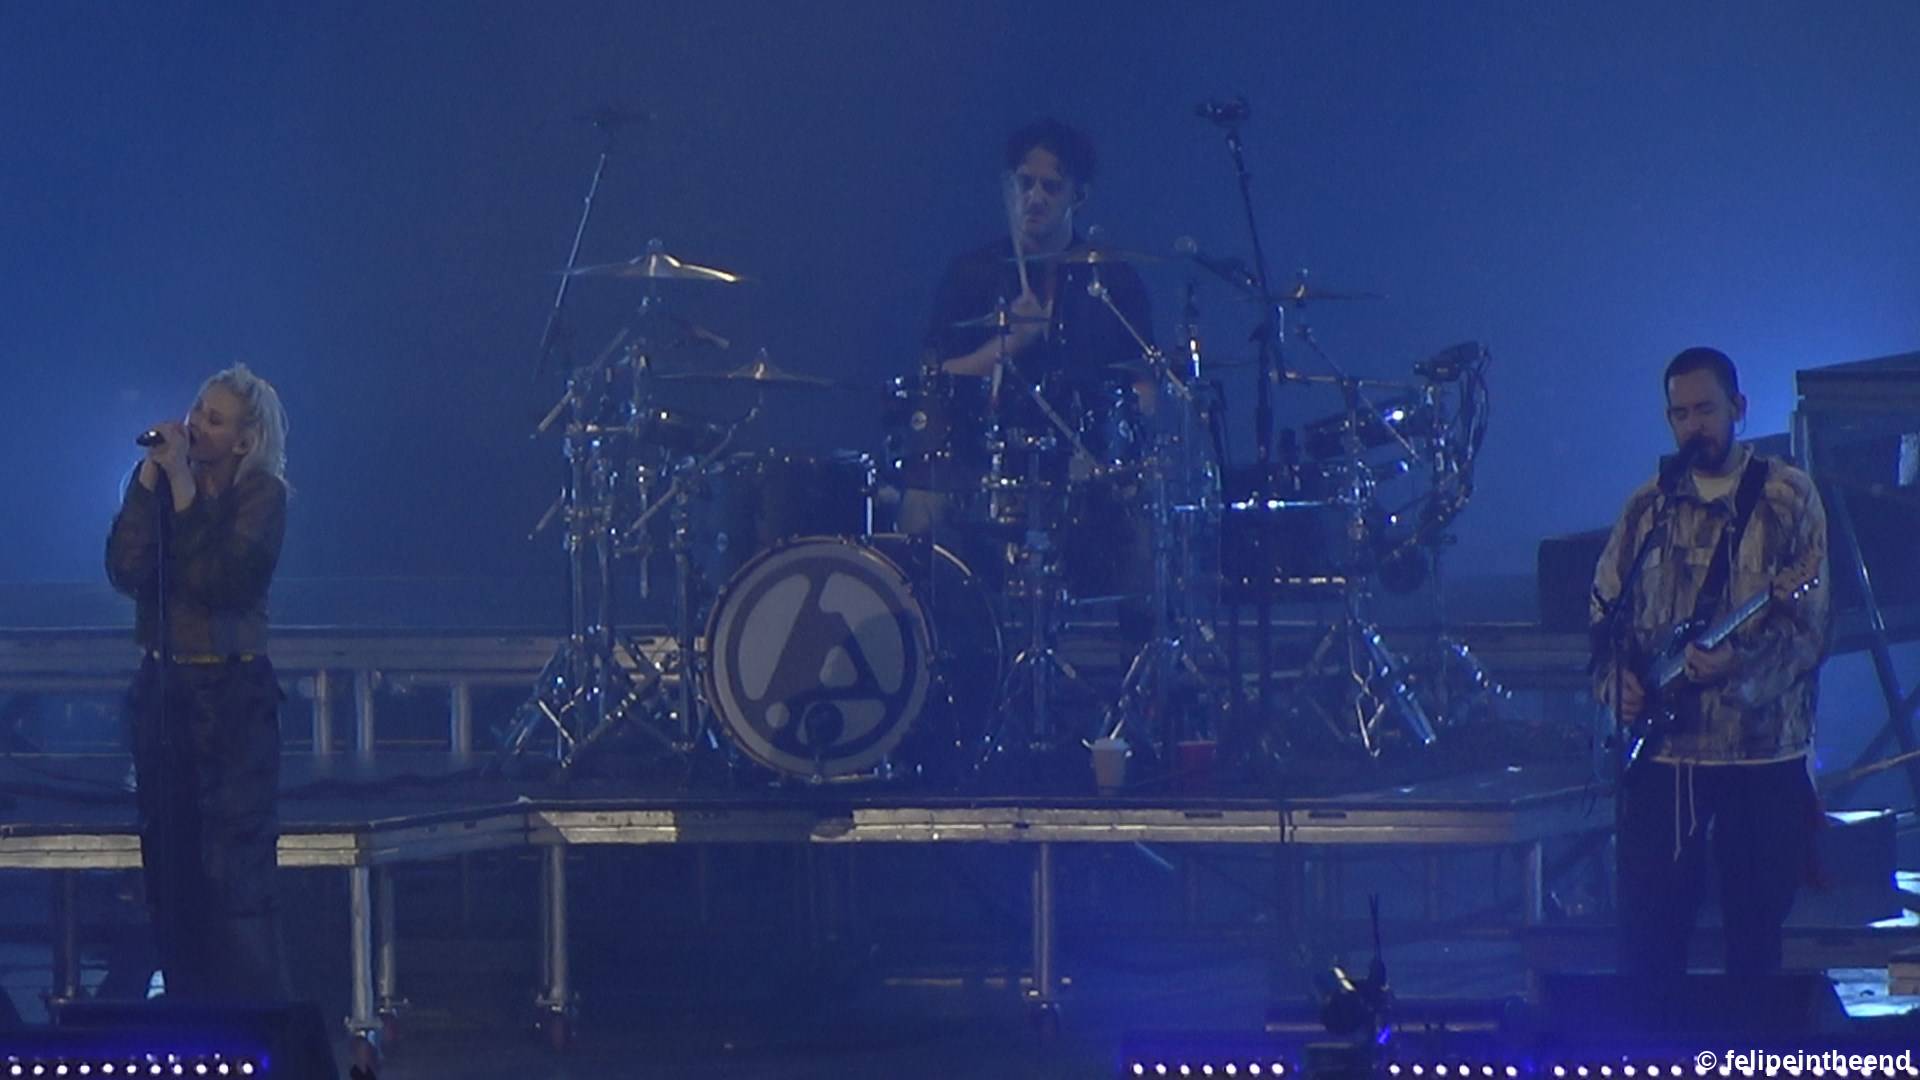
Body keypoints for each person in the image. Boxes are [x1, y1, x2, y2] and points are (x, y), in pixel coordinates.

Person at [1590, 346, 1830, 976]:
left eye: (1705, 410)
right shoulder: (1648, 506)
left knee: (1754, 935)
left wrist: (1738, 668)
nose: (1693, 426)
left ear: (1738, 409)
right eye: (1680, 414)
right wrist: (1614, 680)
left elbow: (1809, 633)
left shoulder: (1788, 497)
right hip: (1666, 758)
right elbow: (1604, 611)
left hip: (1760, 754)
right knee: (1652, 936)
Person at [902, 117, 1157, 601]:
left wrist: (1118, 439)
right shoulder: (972, 274)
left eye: (1050, 187)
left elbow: (1146, 386)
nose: (1035, 198)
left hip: (1080, 466)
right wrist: (1009, 343)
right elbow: (933, 378)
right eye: (1025, 184)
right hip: (981, 461)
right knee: (919, 505)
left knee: (1146, 519)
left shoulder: (1112, 280)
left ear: (1078, 196)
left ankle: (1131, 641)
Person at [105, 363, 292, 1001]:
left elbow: (221, 581)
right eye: (197, 410)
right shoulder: (161, 487)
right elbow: (124, 568)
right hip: (164, 691)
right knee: (170, 867)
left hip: (231, 699)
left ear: (244, 440)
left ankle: (256, 1021)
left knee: (234, 873)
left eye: (215, 419)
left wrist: (185, 492)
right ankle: (186, 1010)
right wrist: (148, 482)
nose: (195, 425)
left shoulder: (262, 496)